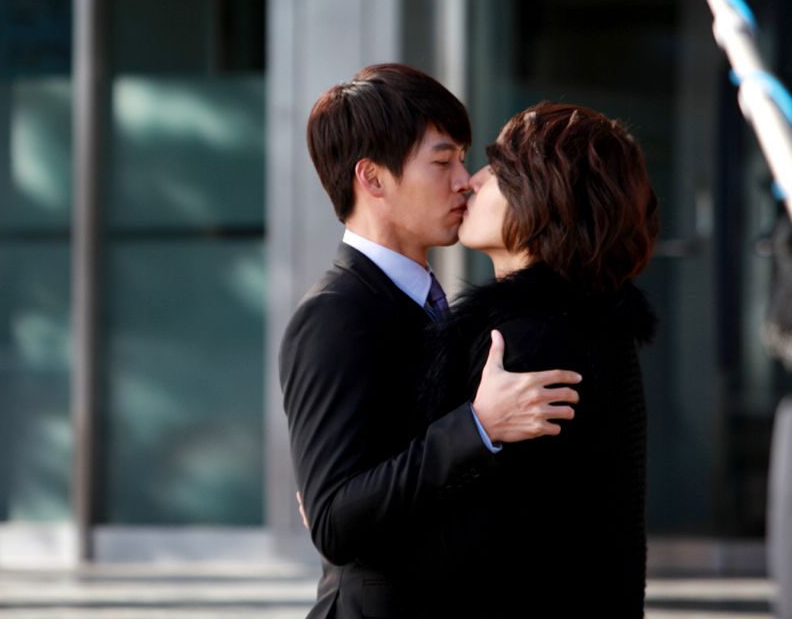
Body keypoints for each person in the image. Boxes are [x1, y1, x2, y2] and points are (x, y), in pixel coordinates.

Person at [279, 64, 583, 618]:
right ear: (373, 179)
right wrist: (477, 425)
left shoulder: (432, 303)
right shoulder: (334, 315)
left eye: (461, 160)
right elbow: (334, 522)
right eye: (443, 162)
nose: (464, 180)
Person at [422, 102, 659, 615]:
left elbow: (471, 536)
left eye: (497, 169)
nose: (472, 181)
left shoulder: (530, 345)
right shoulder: (584, 326)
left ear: (545, 196)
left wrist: (353, 508)